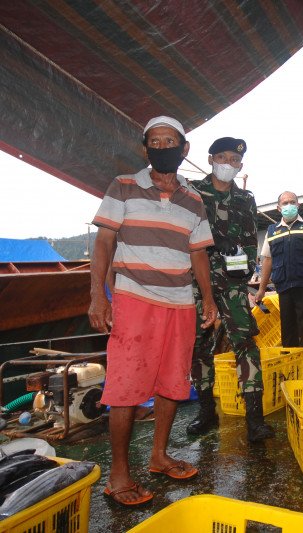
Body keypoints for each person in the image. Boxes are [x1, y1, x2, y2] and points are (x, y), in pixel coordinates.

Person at [88, 116, 217, 507]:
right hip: (134, 300)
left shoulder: (194, 199)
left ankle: (159, 456)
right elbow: (104, 242)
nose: (164, 147)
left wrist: (208, 299)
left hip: (180, 304)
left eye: (171, 141)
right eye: (155, 141)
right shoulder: (123, 186)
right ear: (145, 149)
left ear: (184, 149)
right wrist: (99, 296)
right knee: (126, 388)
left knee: (173, 383)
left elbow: (198, 255)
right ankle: (119, 475)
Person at [186, 137, 273, 443]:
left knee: (246, 344)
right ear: (211, 159)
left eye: (234, 161)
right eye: (222, 158)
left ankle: (255, 420)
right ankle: (207, 412)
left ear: (240, 165)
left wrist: (245, 265)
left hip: (233, 284)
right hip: (197, 283)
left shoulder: (245, 199)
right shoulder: (192, 192)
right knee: (198, 346)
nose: (228, 164)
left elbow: (251, 238)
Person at [254, 191, 303, 348]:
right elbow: (267, 259)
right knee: (288, 328)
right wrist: (261, 289)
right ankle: (291, 362)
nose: (289, 206)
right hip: (283, 287)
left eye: (292, 202)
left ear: (298, 205)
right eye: (285, 203)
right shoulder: (272, 231)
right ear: (278, 208)